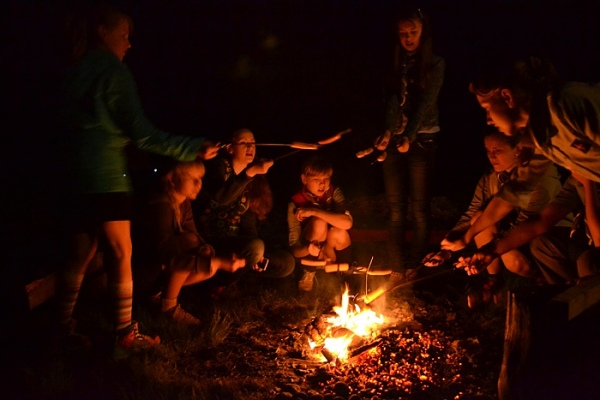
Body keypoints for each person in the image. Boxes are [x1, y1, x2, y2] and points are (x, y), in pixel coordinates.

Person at [56, 3, 220, 358]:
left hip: (74, 174)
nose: (129, 44)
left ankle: (60, 329)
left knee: (80, 254)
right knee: (121, 251)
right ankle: (124, 336)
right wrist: (192, 147)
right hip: (106, 177)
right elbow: (143, 134)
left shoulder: (72, 71)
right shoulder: (113, 72)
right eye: (125, 35)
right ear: (103, 31)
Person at [438, 129, 564, 304]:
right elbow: (473, 214)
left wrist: (488, 249)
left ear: (518, 149)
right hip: (513, 232)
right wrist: (446, 250)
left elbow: (526, 224)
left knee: (510, 255)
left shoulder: (539, 176)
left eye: (497, 150)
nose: (491, 156)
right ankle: (494, 281)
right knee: (479, 216)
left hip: (540, 236)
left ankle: (537, 281)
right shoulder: (491, 178)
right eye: (488, 151)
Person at [372, 7, 445, 284]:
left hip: (424, 137)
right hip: (398, 139)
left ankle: (415, 267)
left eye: (413, 31)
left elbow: (426, 104)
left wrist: (409, 136)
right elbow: (392, 101)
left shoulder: (436, 63)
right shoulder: (394, 63)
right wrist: (389, 133)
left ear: (423, 31)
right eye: (403, 33)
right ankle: (396, 269)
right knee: (395, 207)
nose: (408, 37)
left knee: (419, 207)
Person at [132, 160, 245, 326]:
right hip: (144, 270)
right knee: (196, 252)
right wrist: (218, 262)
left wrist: (205, 249)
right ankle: (168, 307)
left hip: (164, 266)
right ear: (172, 180)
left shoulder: (184, 202)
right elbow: (164, 250)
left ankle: (159, 295)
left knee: (205, 262)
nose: (198, 184)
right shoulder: (160, 205)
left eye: (200, 178)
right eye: (192, 178)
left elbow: (192, 231)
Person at [195, 129, 294, 292]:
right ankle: (219, 284)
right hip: (212, 242)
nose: (250, 147)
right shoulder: (219, 167)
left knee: (286, 262)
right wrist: (251, 172)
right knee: (255, 248)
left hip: (238, 244)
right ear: (230, 148)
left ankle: (243, 272)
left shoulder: (252, 177)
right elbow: (221, 197)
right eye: (243, 143)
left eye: (252, 142)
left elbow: (248, 220)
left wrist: (257, 256)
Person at [288, 156, 353, 291]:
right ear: (304, 179)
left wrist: (314, 211)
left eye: (325, 179)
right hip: (311, 252)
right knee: (319, 223)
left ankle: (344, 275)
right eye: (316, 179)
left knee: (339, 231)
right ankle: (309, 273)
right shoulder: (296, 203)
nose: (322, 184)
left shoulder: (333, 192)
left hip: (330, 249)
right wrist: (308, 249)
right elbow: (295, 249)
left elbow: (347, 223)